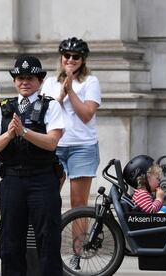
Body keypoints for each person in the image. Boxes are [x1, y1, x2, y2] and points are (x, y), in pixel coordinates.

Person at [0, 55, 64, 276]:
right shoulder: (3, 108)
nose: (24, 82)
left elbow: (51, 143)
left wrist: (25, 132)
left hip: (42, 180)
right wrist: (10, 135)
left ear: (40, 80)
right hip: (12, 181)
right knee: (10, 243)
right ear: (14, 81)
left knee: (48, 241)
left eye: (29, 78)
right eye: (19, 78)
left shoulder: (51, 106)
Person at [41, 37, 101, 202]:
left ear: (82, 60)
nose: (70, 60)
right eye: (67, 55)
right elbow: (45, 114)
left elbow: (87, 115)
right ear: (61, 58)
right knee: (48, 199)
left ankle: (81, 230)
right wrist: (61, 95)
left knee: (78, 203)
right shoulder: (50, 82)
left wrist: (71, 91)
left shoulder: (91, 81)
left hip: (82, 147)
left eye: (76, 56)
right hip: (55, 146)